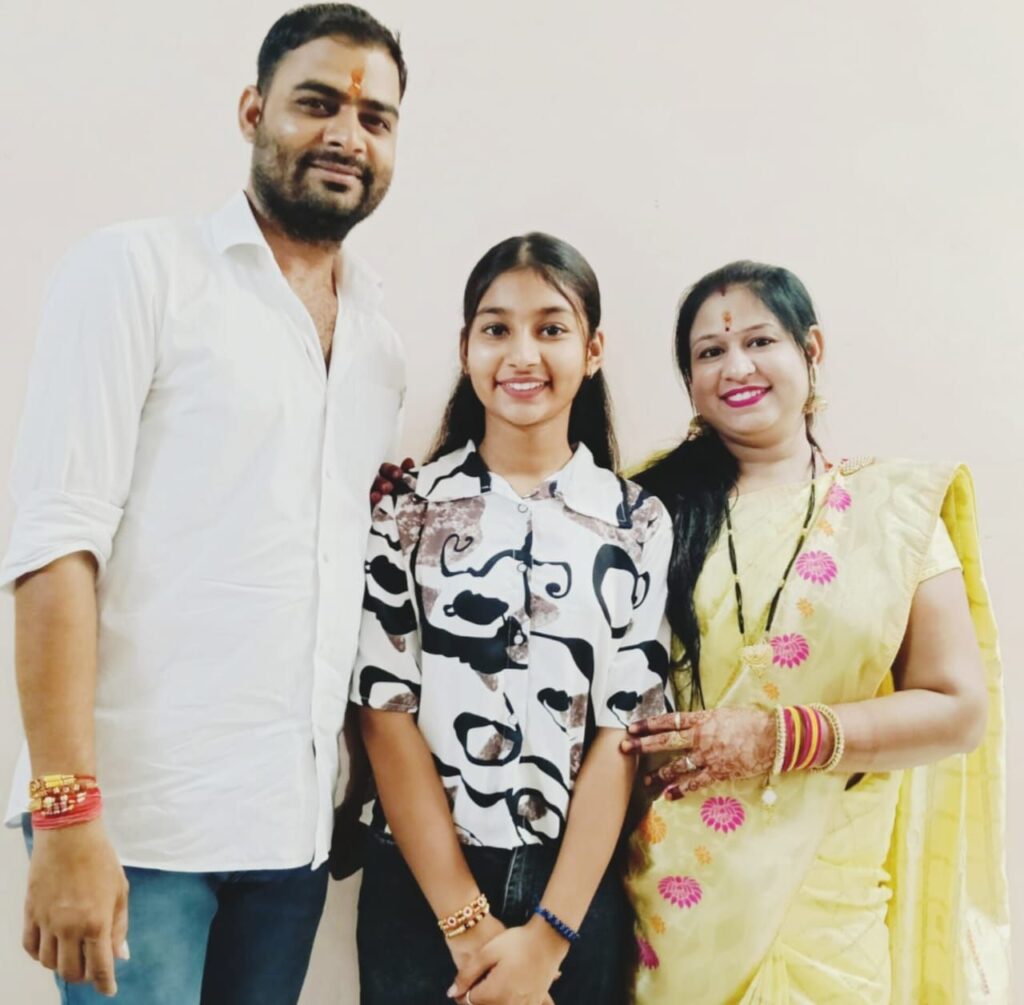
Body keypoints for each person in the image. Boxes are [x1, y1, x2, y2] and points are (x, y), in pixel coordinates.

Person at [3, 5, 408, 1002]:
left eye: (375, 118)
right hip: (138, 830)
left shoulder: (378, 345)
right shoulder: (138, 272)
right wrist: (64, 811)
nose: (347, 135)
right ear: (252, 111)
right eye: (317, 103)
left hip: (289, 836)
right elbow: (56, 545)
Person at [620, 261, 1009, 1003]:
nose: (737, 367)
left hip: (828, 904)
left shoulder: (892, 512)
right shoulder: (645, 508)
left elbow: (959, 709)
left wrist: (779, 736)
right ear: (690, 381)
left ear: (812, 349)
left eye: (760, 340)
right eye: (710, 352)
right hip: (676, 904)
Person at [347, 233, 673, 1004]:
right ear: (466, 348)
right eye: (497, 328)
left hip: (574, 891)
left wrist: (550, 936)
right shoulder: (405, 508)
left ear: (593, 350)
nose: (522, 353)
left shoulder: (637, 521)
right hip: (419, 891)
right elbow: (384, 710)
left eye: (551, 328)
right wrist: (465, 922)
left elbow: (623, 731)